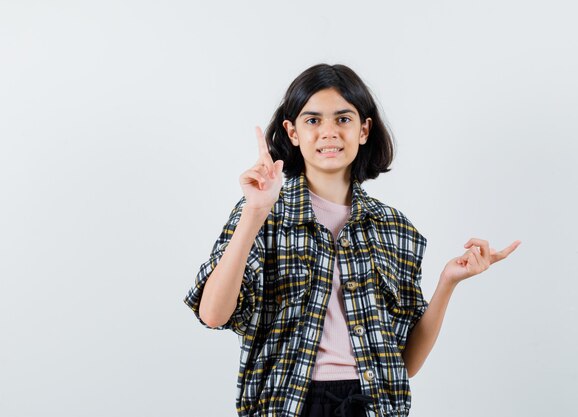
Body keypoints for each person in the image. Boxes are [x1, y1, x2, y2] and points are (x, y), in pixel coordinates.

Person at [183, 63, 520, 417]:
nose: (329, 132)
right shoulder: (262, 211)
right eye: (313, 120)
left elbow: (405, 365)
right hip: (287, 404)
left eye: (343, 119)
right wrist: (255, 212)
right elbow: (213, 314)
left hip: (372, 404)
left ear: (364, 129)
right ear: (292, 131)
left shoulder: (393, 228)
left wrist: (448, 282)